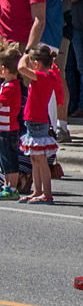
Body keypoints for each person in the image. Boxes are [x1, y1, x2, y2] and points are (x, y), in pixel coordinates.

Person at [16, 44, 65, 203]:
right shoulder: (47, 76)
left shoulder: (44, 76)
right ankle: (37, 191)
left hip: (38, 122)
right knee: (34, 159)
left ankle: (47, 193)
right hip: (33, 121)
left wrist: (25, 55)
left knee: (41, 159)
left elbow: (21, 68)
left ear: (36, 64)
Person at [33, 0, 69, 138]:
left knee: (43, 89)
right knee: (50, 89)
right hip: (52, 44)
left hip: (43, 44)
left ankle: (47, 128)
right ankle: (52, 128)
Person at [0, 42, 22, 200]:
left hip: (9, 130)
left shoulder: (10, 87)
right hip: (4, 128)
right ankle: (7, 185)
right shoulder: (7, 85)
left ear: (4, 69)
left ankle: (12, 187)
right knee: (4, 159)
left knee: (9, 159)